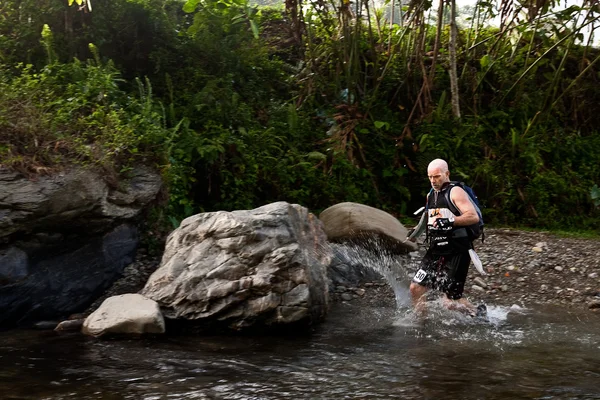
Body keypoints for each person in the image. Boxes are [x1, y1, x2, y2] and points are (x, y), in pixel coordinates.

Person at [407, 158, 486, 318]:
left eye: (436, 176)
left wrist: (451, 221)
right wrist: (415, 232)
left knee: (450, 302)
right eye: (430, 177)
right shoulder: (431, 194)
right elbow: (429, 217)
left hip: (458, 250)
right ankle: (420, 325)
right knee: (415, 288)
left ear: (447, 173)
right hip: (436, 250)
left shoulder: (455, 191)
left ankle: (478, 313)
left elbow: (472, 217)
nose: (433, 181)